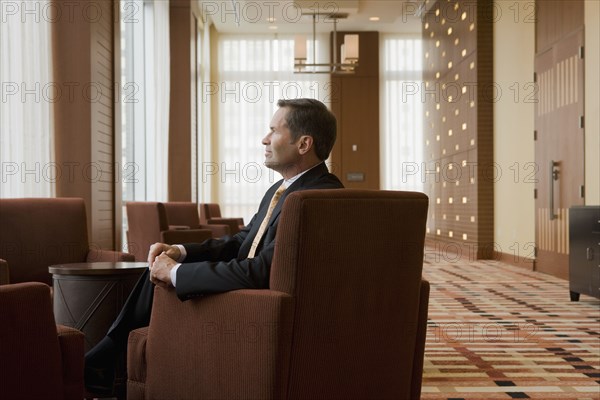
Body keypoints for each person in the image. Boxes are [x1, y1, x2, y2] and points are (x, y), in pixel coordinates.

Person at [84, 98, 344, 394]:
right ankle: (103, 362)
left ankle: (98, 363)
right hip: (252, 290)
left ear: (303, 143)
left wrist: (177, 275)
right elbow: (241, 242)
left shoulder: (317, 197)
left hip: (258, 306)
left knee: (165, 277)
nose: (265, 139)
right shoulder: (283, 189)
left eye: (274, 130)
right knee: (157, 268)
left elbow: (262, 272)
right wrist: (179, 252)